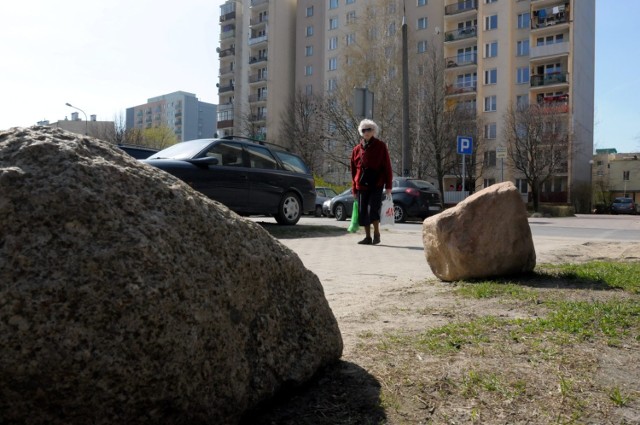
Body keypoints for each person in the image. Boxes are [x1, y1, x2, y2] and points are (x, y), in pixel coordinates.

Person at [350, 119, 393, 245]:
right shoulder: (356, 149)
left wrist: (388, 185)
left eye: (369, 129)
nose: (366, 132)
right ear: (361, 132)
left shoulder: (380, 146)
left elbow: (387, 167)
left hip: (377, 183)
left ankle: (377, 234)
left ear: (374, 131)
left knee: (372, 210)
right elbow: (353, 170)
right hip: (361, 185)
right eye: (364, 130)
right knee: (363, 212)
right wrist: (354, 188)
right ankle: (368, 237)